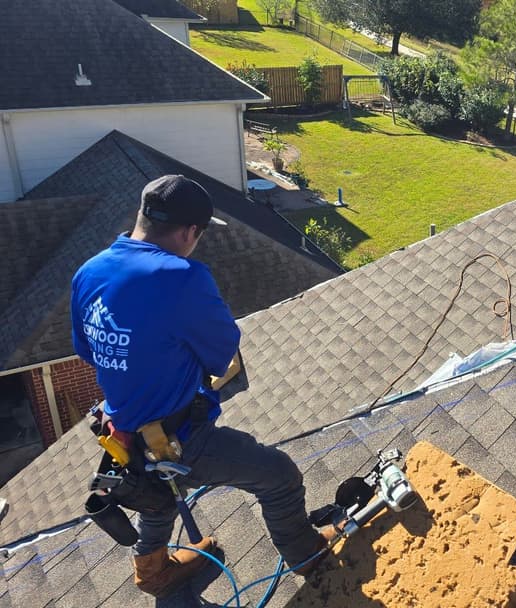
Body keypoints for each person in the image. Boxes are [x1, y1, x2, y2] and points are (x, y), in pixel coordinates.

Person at [70, 175, 336, 598]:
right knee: (278, 475)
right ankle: (306, 554)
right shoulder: (181, 276)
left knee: (157, 490)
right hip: (178, 436)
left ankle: (152, 570)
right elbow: (221, 353)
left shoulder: (89, 271)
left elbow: (88, 350)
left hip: (122, 429)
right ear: (191, 231)